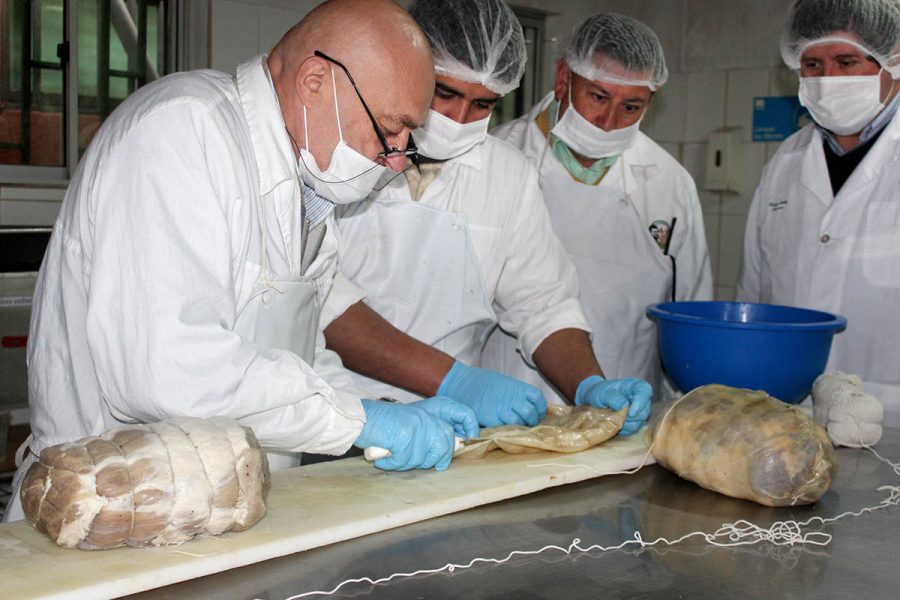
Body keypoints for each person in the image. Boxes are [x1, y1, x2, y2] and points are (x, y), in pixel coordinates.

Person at [3, 0, 481, 524]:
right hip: (105, 509)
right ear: (315, 81)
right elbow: (167, 369)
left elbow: (292, 357)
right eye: (390, 130)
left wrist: (381, 410)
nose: (395, 158)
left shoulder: (308, 189)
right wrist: (356, 419)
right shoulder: (181, 131)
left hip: (217, 508)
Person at [323, 0, 652, 435]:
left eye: (483, 104)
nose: (459, 120)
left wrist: (588, 385)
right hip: (334, 414)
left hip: (451, 426)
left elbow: (543, 304)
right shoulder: (339, 149)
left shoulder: (507, 175)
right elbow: (319, 298)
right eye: (445, 93)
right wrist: (455, 380)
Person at [482, 13, 712, 404]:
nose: (608, 122)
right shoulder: (494, 159)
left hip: (625, 411)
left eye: (631, 107)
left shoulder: (670, 184)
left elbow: (691, 319)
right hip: (509, 406)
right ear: (563, 79)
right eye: (599, 97)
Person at [737, 0, 900, 425]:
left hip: (891, 414)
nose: (828, 80)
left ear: (894, 60)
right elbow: (753, 295)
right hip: (788, 414)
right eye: (812, 64)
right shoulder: (785, 163)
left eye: (846, 62)